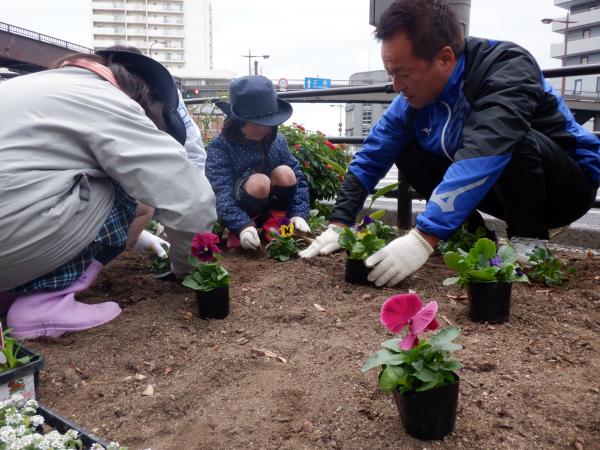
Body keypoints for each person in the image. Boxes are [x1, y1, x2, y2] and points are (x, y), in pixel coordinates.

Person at [300, 0, 600, 287]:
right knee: (404, 146)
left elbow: (488, 146)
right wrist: (339, 223)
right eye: (391, 74)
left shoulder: (506, 67)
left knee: (511, 136)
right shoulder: (414, 100)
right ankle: (471, 236)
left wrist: (423, 237)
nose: (396, 86)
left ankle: (530, 241)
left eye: (403, 73)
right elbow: (372, 154)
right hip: (500, 187)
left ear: (445, 58)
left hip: (565, 187)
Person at [0, 48, 216, 338]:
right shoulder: (108, 100)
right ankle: (44, 304)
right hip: (8, 239)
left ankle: (11, 292)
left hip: (11, 237)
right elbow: (191, 200)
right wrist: (187, 267)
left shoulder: (36, 85)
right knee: (125, 190)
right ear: (143, 98)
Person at [206, 75, 310, 250]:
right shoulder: (221, 147)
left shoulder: (278, 141)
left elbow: (297, 179)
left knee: (286, 172)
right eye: (256, 124)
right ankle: (243, 232)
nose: (264, 128)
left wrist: (299, 214)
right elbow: (220, 191)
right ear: (238, 121)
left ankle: (276, 225)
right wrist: (241, 225)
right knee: (259, 182)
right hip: (241, 210)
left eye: (268, 123)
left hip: (274, 207)